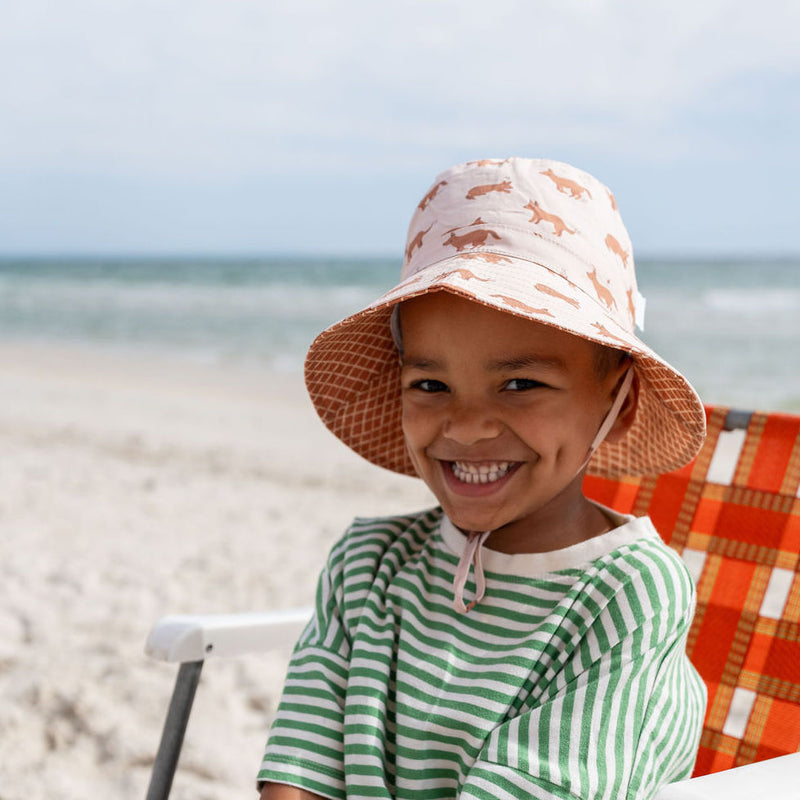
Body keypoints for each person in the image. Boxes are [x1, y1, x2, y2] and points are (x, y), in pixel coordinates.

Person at [257, 157, 708, 800]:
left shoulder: (627, 593)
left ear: (621, 402)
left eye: (521, 384)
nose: (465, 428)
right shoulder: (367, 564)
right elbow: (300, 768)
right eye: (431, 385)